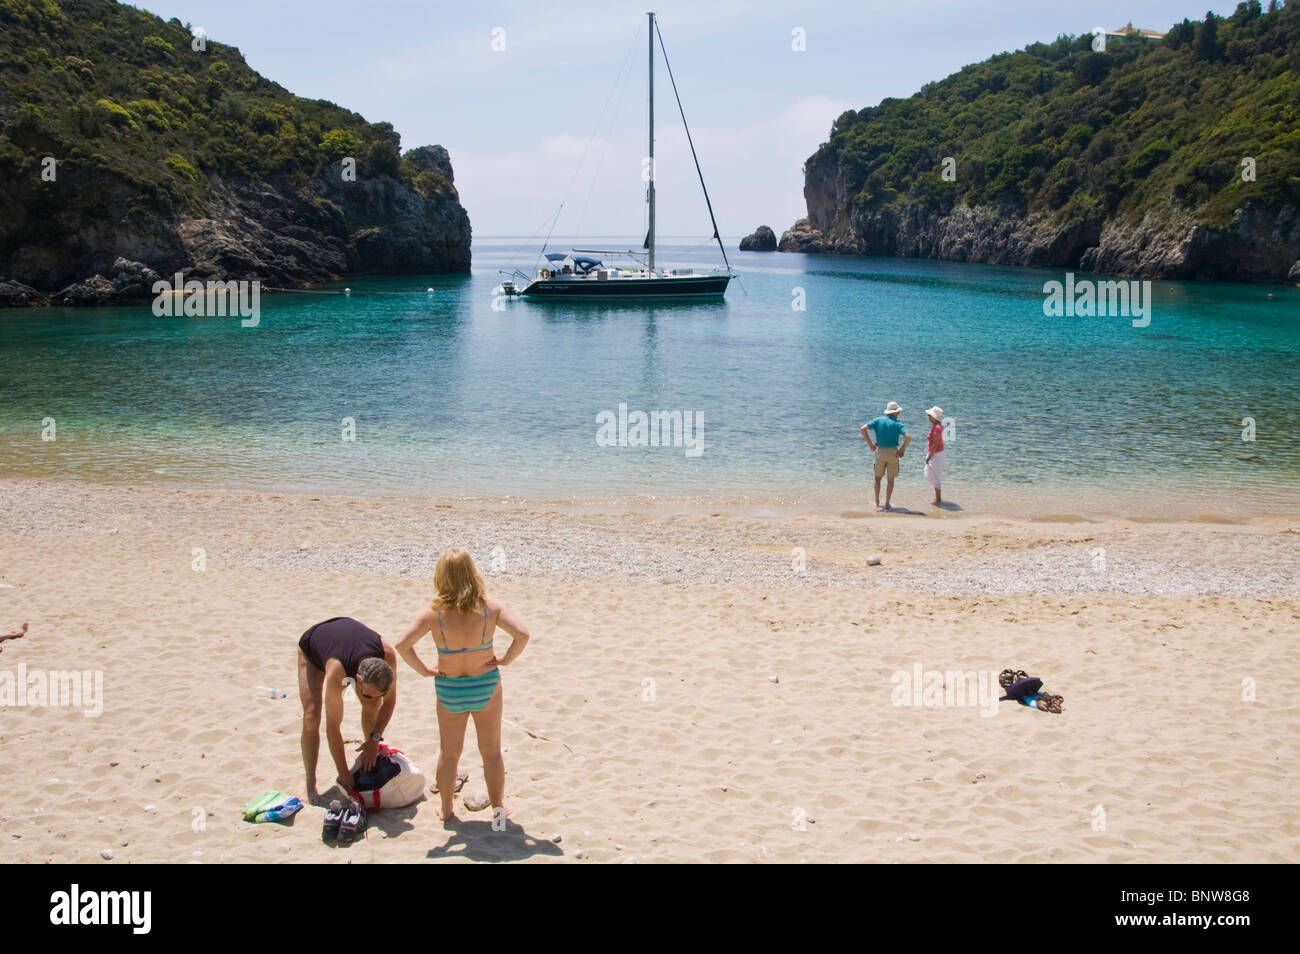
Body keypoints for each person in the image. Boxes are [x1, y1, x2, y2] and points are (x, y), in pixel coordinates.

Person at [395, 549, 530, 823]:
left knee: (449, 752)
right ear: (472, 573)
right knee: (491, 751)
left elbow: (402, 645)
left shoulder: (434, 613)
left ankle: (446, 810)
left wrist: (425, 670)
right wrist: (504, 660)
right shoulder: (490, 607)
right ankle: (498, 810)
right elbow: (523, 634)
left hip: (450, 688)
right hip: (485, 686)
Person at [297, 617, 397, 803]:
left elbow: (389, 702)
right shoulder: (338, 671)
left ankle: (370, 755)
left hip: (346, 638)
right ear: (357, 679)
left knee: (373, 704)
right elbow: (333, 728)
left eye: (379, 694)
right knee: (311, 717)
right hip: (314, 645)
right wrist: (343, 773)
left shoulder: (388, 657)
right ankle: (310, 782)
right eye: (368, 693)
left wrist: (374, 740)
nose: (374, 698)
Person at [860, 401, 911, 510]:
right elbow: (908, 437)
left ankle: (877, 502)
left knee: (877, 478)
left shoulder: (878, 420)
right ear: (895, 412)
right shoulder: (898, 424)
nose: (899, 414)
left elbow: (863, 429)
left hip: (880, 452)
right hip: (893, 452)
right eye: (898, 412)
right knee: (890, 480)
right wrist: (902, 449)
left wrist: (870, 444)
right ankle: (887, 503)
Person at [923, 405, 946, 506]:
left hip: (936, 454)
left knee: (934, 476)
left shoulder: (937, 428)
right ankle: (937, 498)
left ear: (933, 417)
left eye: (929, 415)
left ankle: (938, 499)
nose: (928, 417)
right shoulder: (938, 426)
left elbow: (935, 444)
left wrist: (928, 457)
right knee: (934, 475)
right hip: (938, 454)